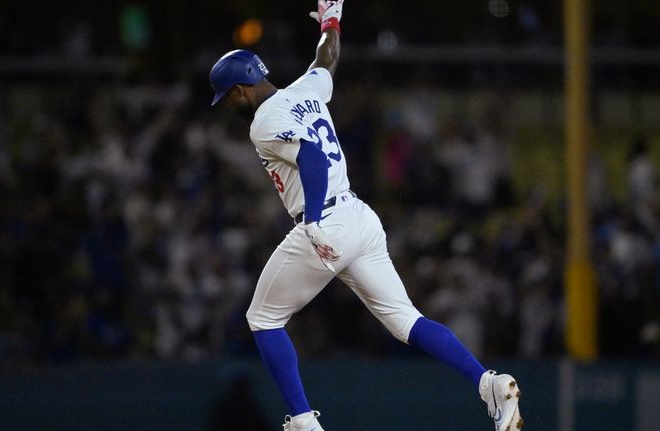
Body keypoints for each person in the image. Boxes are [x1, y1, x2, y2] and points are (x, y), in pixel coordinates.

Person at [208, 1, 523, 430]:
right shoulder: (306, 90)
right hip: (359, 216)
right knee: (406, 321)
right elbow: (327, 57)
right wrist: (331, 20)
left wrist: (314, 221)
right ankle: (488, 382)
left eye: (226, 99)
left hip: (326, 221)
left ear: (239, 90)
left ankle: (303, 421)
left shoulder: (263, 121)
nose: (228, 106)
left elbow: (313, 157)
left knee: (263, 319)